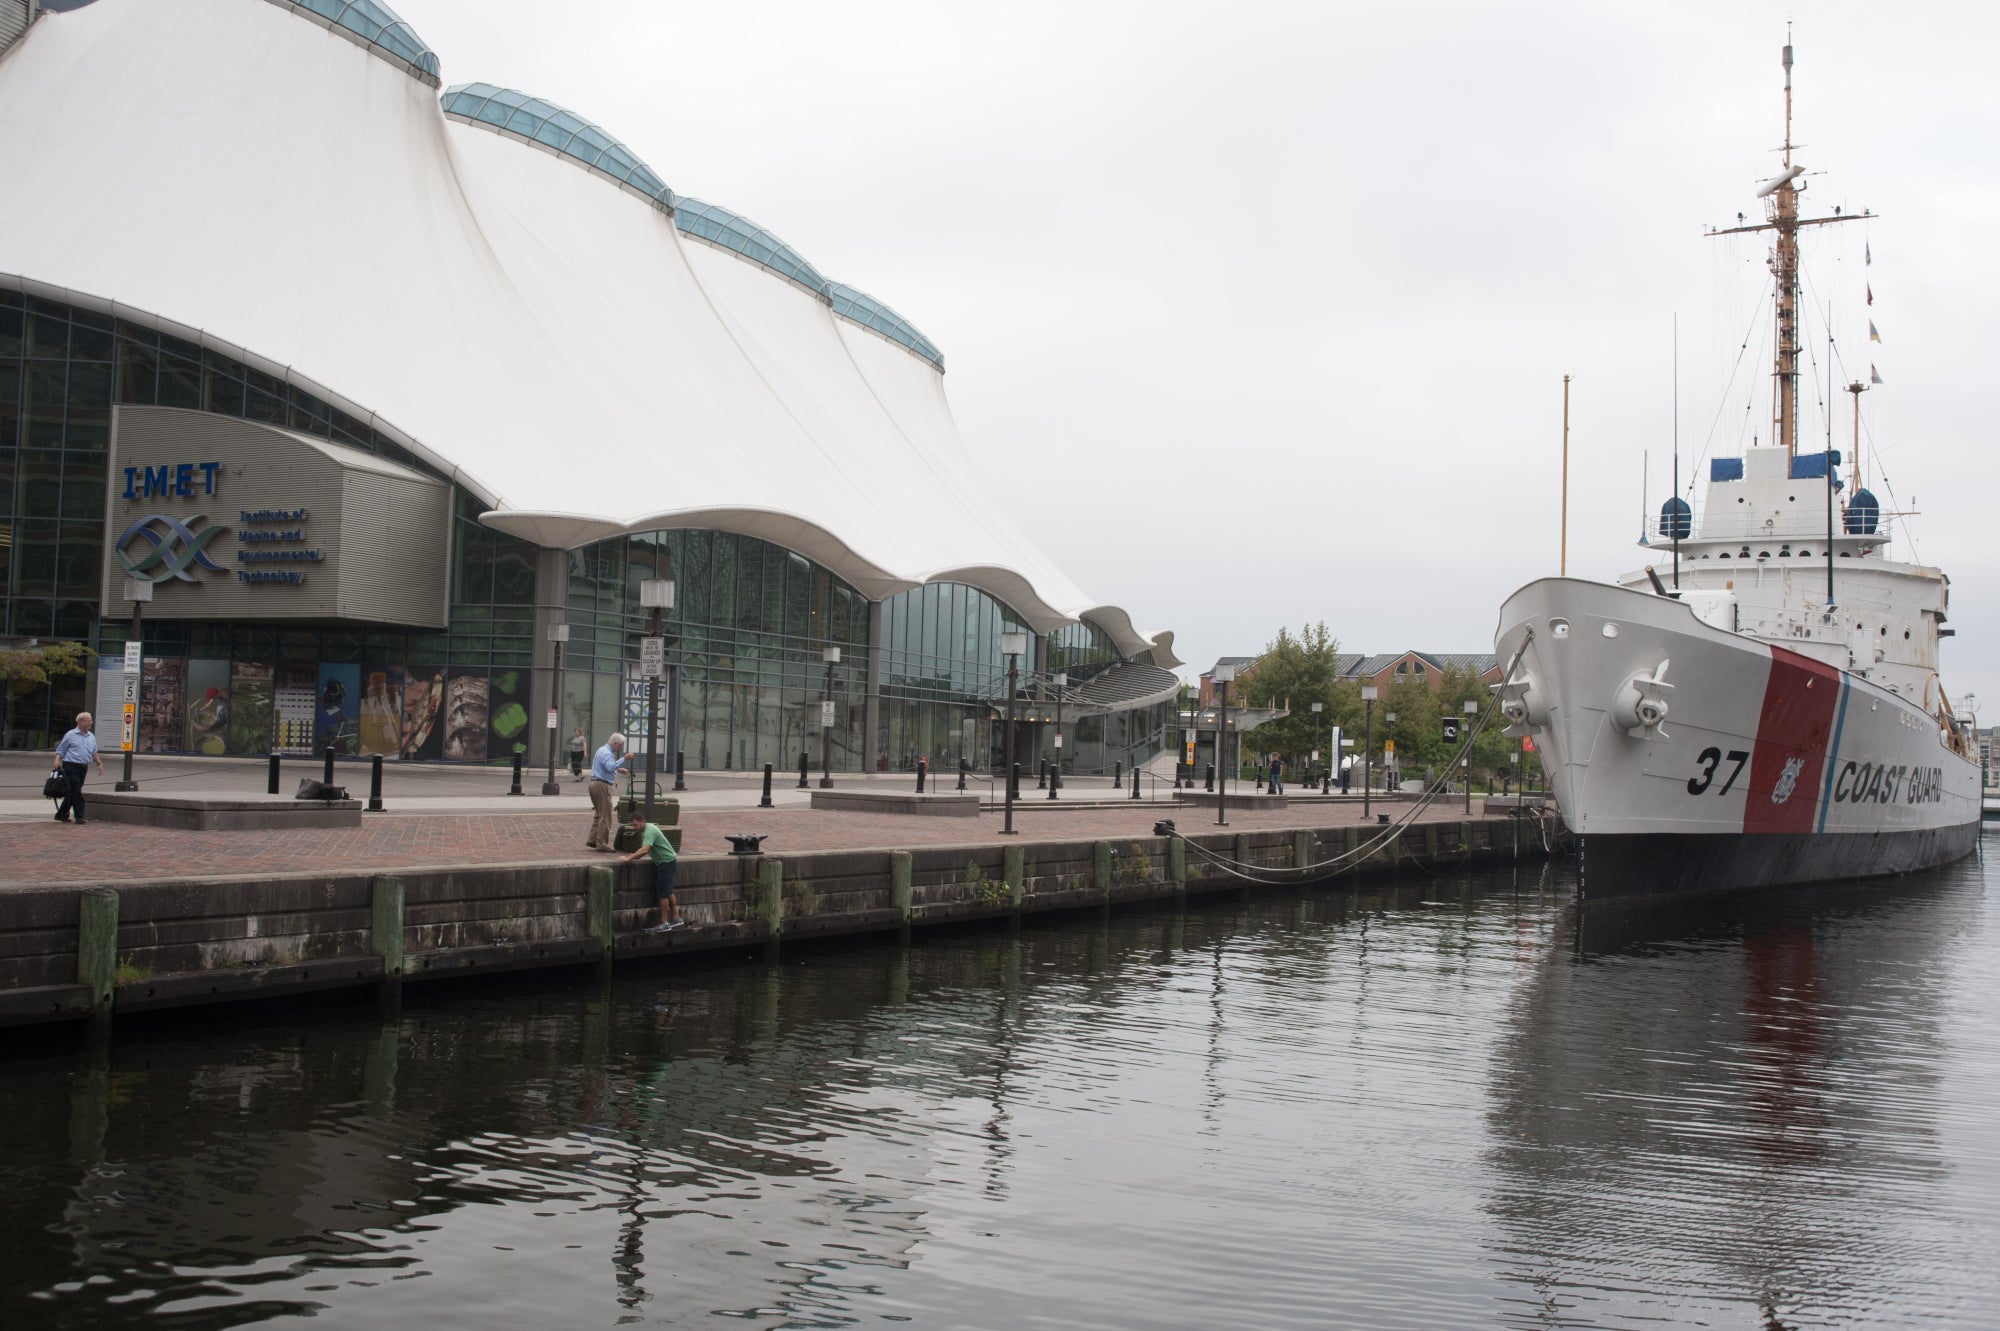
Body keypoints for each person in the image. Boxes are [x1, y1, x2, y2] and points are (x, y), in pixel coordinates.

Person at [621, 809, 683, 931]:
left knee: (662, 893)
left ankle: (664, 922)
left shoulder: (649, 831)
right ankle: (676, 918)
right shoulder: (646, 828)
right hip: (667, 861)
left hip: (665, 862)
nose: (634, 828)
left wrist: (628, 858)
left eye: (635, 825)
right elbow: (644, 851)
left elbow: (644, 850)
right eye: (632, 825)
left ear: (642, 821)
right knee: (668, 891)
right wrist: (632, 857)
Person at [51, 711, 105, 824]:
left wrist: (99, 763)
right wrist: (56, 760)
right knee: (76, 790)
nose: (90, 723)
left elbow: (94, 752)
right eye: (87, 720)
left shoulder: (91, 736)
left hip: (83, 767)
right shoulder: (70, 735)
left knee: (72, 791)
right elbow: (61, 749)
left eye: (90, 720)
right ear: (80, 721)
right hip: (71, 765)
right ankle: (79, 815)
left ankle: (61, 814)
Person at [585, 732, 628, 851]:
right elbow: (609, 767)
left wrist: (617, 769)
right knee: (605, 815)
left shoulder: (601, 750)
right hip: (602, 785)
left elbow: (605, 766)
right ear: (615, 743)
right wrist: (624, 758)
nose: (619, 748)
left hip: (594, 783)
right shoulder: (607, 753)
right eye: (619, 746)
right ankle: (602, 843)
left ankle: (593, 839)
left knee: (599, 814)